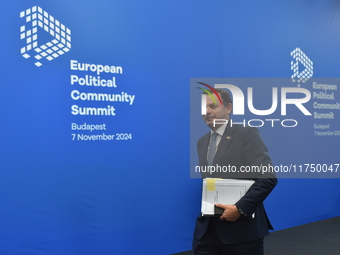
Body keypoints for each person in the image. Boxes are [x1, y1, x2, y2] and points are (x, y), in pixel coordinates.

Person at [192, 88, 277, 255]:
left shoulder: (246, 133)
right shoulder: (201, 142)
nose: (207, 112)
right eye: (204, 108)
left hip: (242, 232)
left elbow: (267, 178)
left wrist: (239, 209)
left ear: (228, 108)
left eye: (213, 106)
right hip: (207, 232)